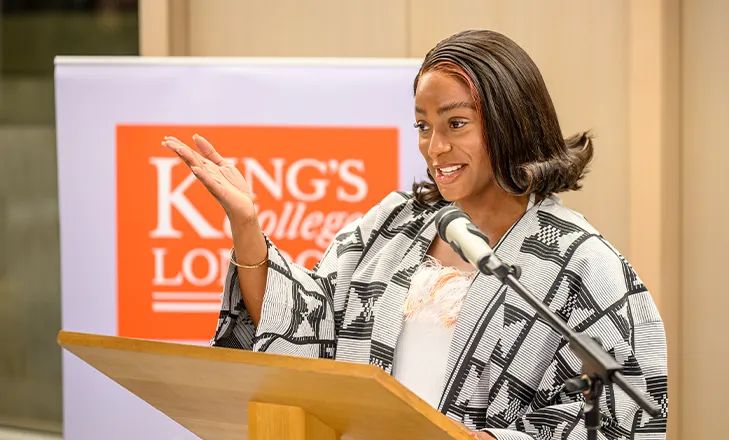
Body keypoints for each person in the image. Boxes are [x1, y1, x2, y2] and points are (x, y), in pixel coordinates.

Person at [162, 29, 667, 440]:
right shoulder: (394, 222)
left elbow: (624, 405)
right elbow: (306, 327)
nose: (435, 147)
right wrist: (247, 227)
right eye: (423, 126)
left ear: (510, 124)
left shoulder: (578, 259)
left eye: (457, 123)